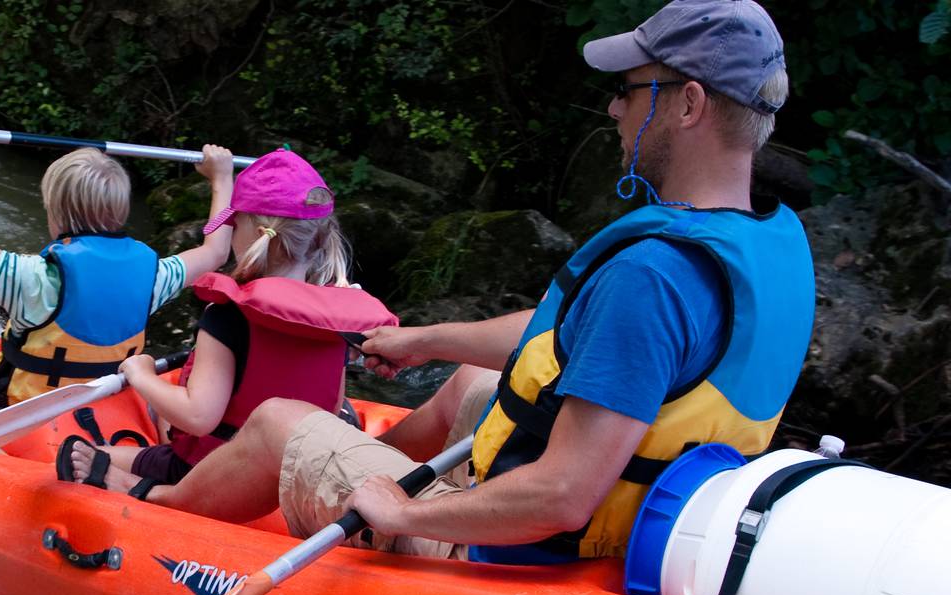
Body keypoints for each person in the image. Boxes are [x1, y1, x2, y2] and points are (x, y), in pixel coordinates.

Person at [72, 0, 815, 563]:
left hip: (521, 550)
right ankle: (366, 459)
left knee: (274, 420)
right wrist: (426, 340)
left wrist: (404, 514)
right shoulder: (762, 241)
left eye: (629, 89)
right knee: (467, 382)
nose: (616, 108)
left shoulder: (655, 274)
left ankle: (159, 495)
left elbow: (564, 493)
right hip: (634, 516)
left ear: (686, 104)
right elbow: (573, 336)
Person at [58, 150, 397, 505]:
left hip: (210, 471)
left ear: (250, 232)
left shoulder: (228, 314)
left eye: (234, 224)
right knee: (165, 417)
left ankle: (130, 482)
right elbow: (330, 409)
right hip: (292, 480)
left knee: (98, 450)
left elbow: (199, 416)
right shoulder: (336, 322)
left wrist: (141, 374)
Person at [0, 118, 237, 414]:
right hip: (93, 405)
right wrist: (222, 177)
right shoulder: (154, 276)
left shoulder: (37, 278)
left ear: (55, 212)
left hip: (24, 415)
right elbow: (217, 251)